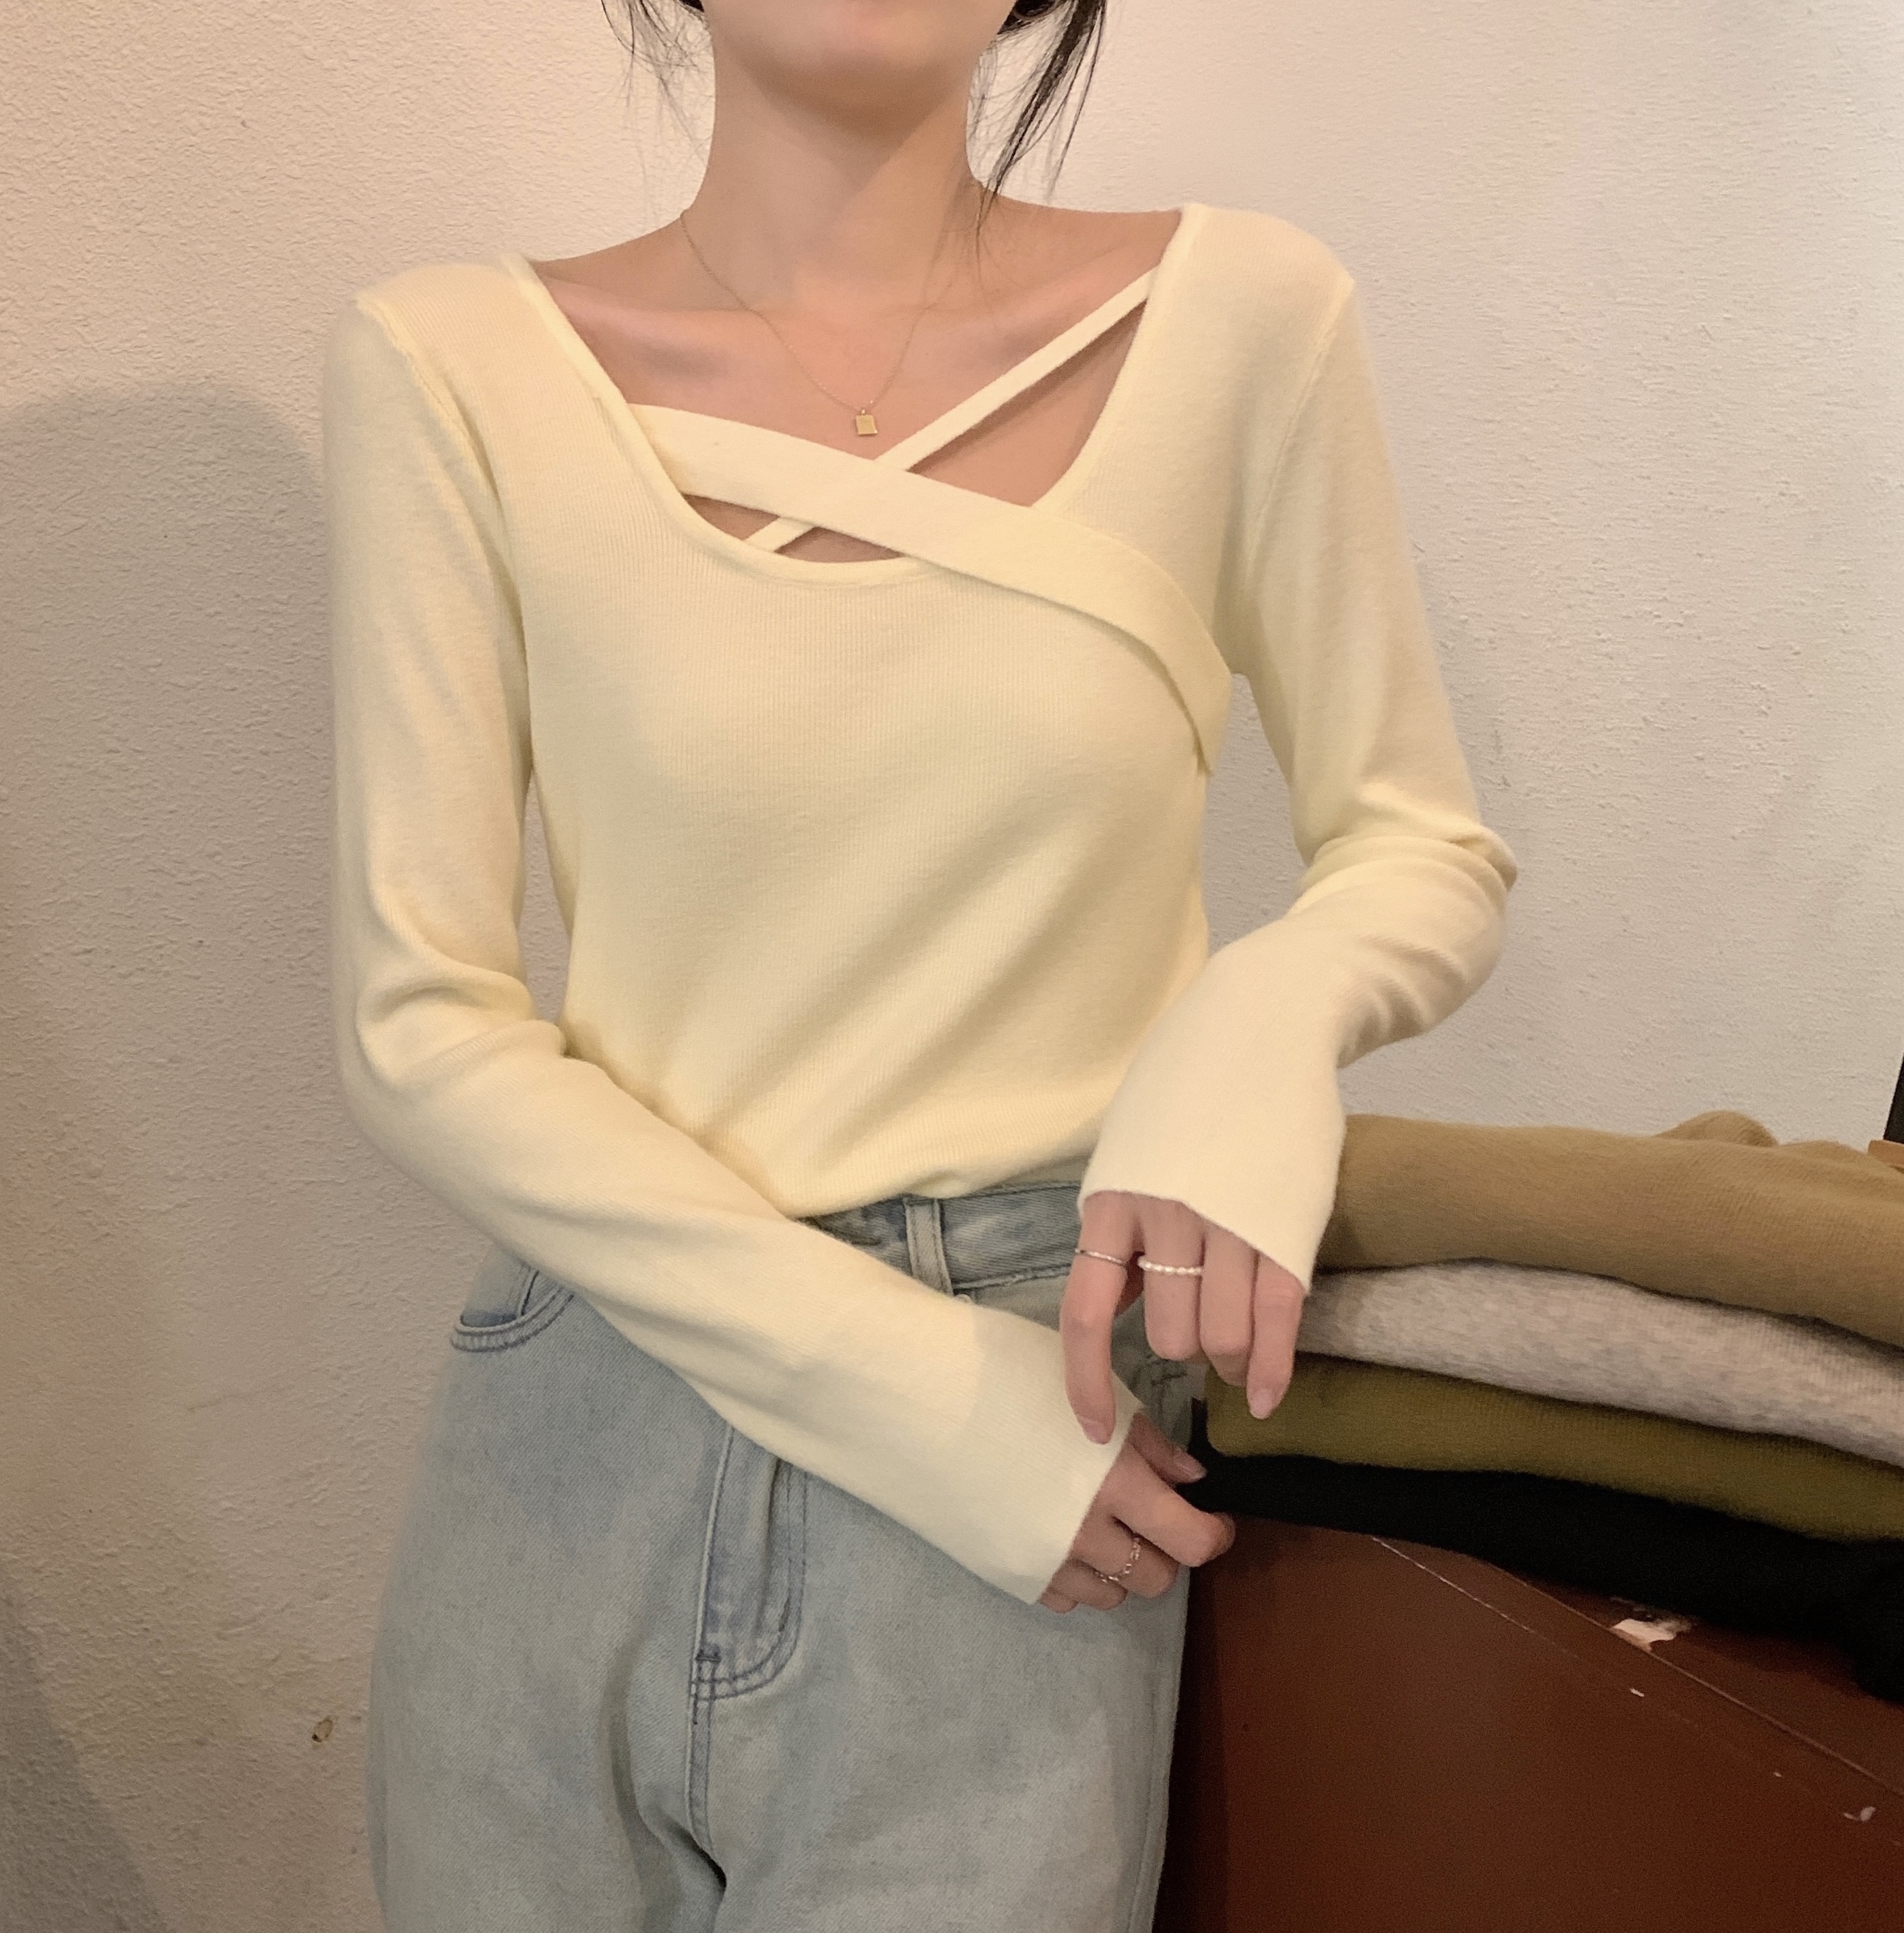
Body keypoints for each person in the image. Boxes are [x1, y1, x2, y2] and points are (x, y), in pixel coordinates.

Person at [319, 1, 1520, 1926]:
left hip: (1043, 1426)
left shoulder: (1241, 322)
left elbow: (1421, 846)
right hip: (585, 1417)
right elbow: (420, 1020)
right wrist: (889, 1385)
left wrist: (1259, 1020)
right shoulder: (454, 365)